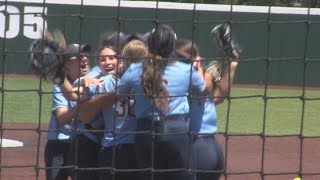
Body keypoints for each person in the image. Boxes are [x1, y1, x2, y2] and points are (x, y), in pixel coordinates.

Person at [117, 24, 209, 180]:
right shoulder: (186, 70)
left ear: (149, 44)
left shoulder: (135, 69)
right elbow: (204, 91)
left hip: (145, 131)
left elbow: (120, 94)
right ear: (173, 46)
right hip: (177, 131)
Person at [176, 38, 239, 180]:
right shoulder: (193, 79)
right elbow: (214, 94)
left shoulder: (179, 80)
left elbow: (217, 95)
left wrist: (230, 66)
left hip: (196, 148)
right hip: (212, 150)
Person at [45, 41, 91, 180]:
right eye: (78, 57)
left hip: (81, 143)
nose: (84, 58)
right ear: (67, 64)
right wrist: (83, 107)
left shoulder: (93, 79)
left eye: (85, 55)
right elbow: (62, 117)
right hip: (59, 146)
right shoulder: (60, 86)